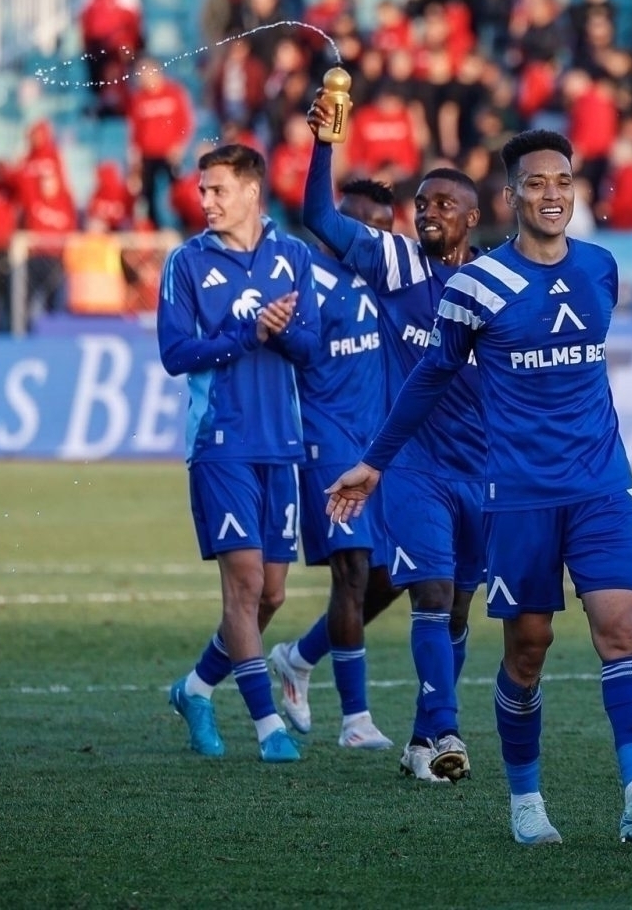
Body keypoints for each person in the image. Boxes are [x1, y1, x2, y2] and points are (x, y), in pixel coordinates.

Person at [327, 129, 632, 847]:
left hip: (600, 485)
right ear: (511, 195)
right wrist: (375, 461)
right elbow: (431, 375)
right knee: (528, 649)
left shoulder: (601, 268)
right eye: (537, 182)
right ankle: (526, 801)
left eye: (564, 181)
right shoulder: (476, 287)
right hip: (519, 495)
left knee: (620, 626)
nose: (553, 194)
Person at [300, 93, 487, 784]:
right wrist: (325, 142)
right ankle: (446, 730)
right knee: (431, 594)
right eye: (423, 203)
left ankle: (419, 738)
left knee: (460, 607)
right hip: (412, 464)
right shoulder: (396, 263)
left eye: (444, 204)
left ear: (471, 217)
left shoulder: (498, 281)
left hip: (483, 469)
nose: (428, 212)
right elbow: (320, 217)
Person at [157, 143, 319, 764]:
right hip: (220, 442)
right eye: (203, 190)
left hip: (282, 442)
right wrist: (247, 333)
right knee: (246, 583)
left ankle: (196, 689)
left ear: (252, 191)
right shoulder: (186, 262)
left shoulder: (293, 256)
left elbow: (310, 348)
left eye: (217, 189)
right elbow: (175, 353)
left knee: (271, 594)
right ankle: (267, 726)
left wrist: (281, 330)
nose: (205, 200)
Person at [266, 179, 400, 751]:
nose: (375, 238)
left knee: (394, 576)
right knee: (351, 572)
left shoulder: (388, 276)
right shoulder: (305, 277)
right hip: (327, 441)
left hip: (380, 445)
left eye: (385, 229)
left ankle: (299, 657)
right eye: (365, 226)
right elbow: (285, 345)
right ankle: (355, 720)